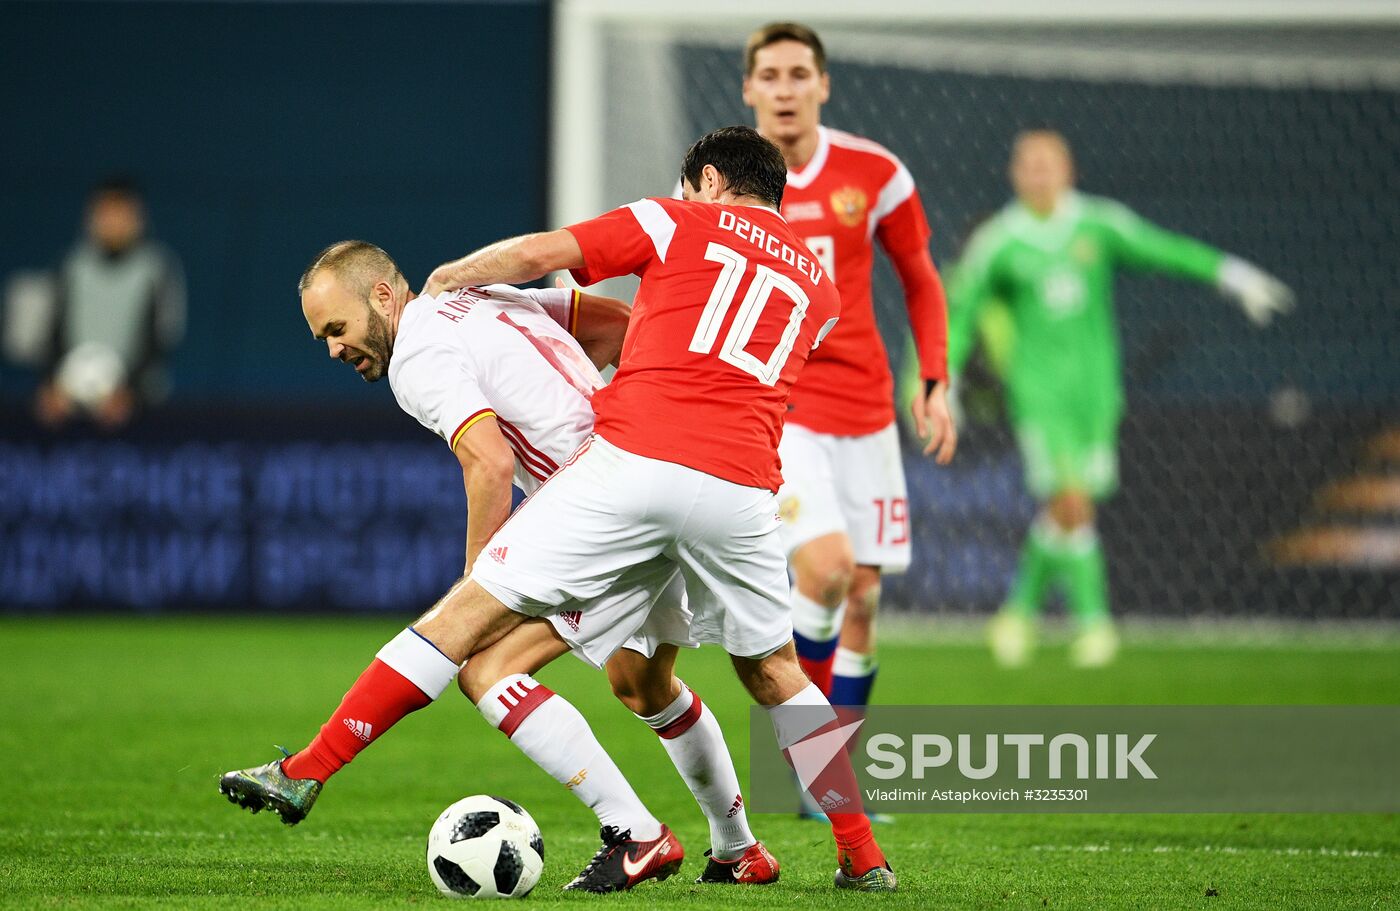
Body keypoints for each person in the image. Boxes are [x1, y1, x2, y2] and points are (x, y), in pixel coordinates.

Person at [221, 247, 779, 891]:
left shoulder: (418, 355)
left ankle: (635, 833)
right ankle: (746, 848)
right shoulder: (479, 297)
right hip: (661, 476)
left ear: (381, 296)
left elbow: (486, 461)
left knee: (482, 664)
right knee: (646, 684)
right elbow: (617, 324)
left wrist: (479, 586)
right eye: (322, 338)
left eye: (336, 330)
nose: (334, 351)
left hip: (605, 507)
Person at [948, 129, 1294, 668]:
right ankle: (1094, 624)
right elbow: (961, 310)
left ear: (1069, 171)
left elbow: (1164, 250)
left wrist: (1228, 274)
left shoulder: (1096, 223)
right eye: (1028, 165)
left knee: (1068, 510)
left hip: (1097, 396)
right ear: (1014, 174)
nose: (1038, 174)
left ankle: (1017, 613)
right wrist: (941, 378)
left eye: (1048, 164)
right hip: (1041, 397)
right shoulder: (999, 240)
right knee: (1071, 501)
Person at [739, 22, 956, 728]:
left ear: (823, 84)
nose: (784, 89)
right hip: (781, 407)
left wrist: (935, 379)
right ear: (748, 89)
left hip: (865, 410)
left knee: (862, 597)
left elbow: (921, 278)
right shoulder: (718, 181)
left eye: (799, 74)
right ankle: (806, 757)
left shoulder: (876, 174)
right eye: (769, 75)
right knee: (827, 569)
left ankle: (834, 778)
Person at [35, 175, 185, 429]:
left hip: (136, 402)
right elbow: (52, 331)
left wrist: (129, 392)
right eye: (106, 213)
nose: (114, 222)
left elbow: (161, 339)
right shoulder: (71, 265)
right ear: (90, 217)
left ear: (138, 218)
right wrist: (52, 383)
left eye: (121, 213)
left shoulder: (157, 268)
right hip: (70, 396)